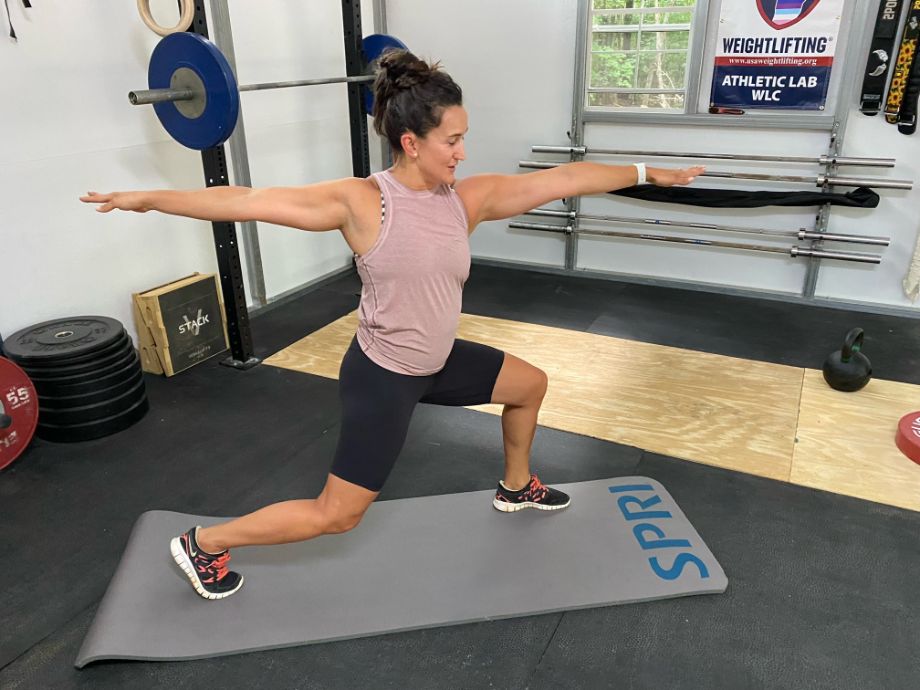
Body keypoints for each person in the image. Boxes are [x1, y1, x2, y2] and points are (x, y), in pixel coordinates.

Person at [81, 50, 704, 601]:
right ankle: (203, 541)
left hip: (437, 358)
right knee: (337, 515)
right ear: (411, 142)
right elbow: (245, 201)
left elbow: (562, 179)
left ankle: (517, 487)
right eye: (451, 141)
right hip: (383, 375)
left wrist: (650, 174)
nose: (463, 152)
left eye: (464, 138)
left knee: (529, 385)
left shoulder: (467, 199)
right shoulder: (362, 202)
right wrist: (149, 199)